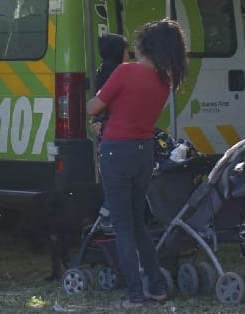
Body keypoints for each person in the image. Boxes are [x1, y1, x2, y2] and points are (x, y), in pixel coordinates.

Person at [86, 19, 187, 309]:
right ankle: (155, 287)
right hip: (144, 151)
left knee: (122, 226)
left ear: (144, 46)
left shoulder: (125, 71)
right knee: (139, 224)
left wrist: (105, 114)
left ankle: (134, 295)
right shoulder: (165, 80)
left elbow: (94, 106)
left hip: (116, 150)